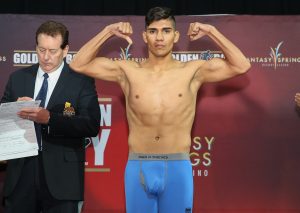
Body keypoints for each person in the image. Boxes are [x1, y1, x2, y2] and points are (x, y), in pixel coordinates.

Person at [70, 6, 251, 213]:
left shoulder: (192, 71)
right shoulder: (128, 71)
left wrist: (211, 31)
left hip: (177, 166)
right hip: (139, 165)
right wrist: (108, 31)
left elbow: (241, 65)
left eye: (166, 31)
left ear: (175, 36)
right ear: (144, 36)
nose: (159, 37)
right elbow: (78, 64)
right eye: (153, 31)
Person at [1, 20, 100, 213]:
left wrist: (50, 119)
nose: (46, 57)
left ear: (65, 50)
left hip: (62, 181)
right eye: (41, 49)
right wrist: (14, 110)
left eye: (53, 51)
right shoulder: (18, 78)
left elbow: (91, 125)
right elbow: (2, 122)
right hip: (20, 177)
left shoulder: (81, 81)